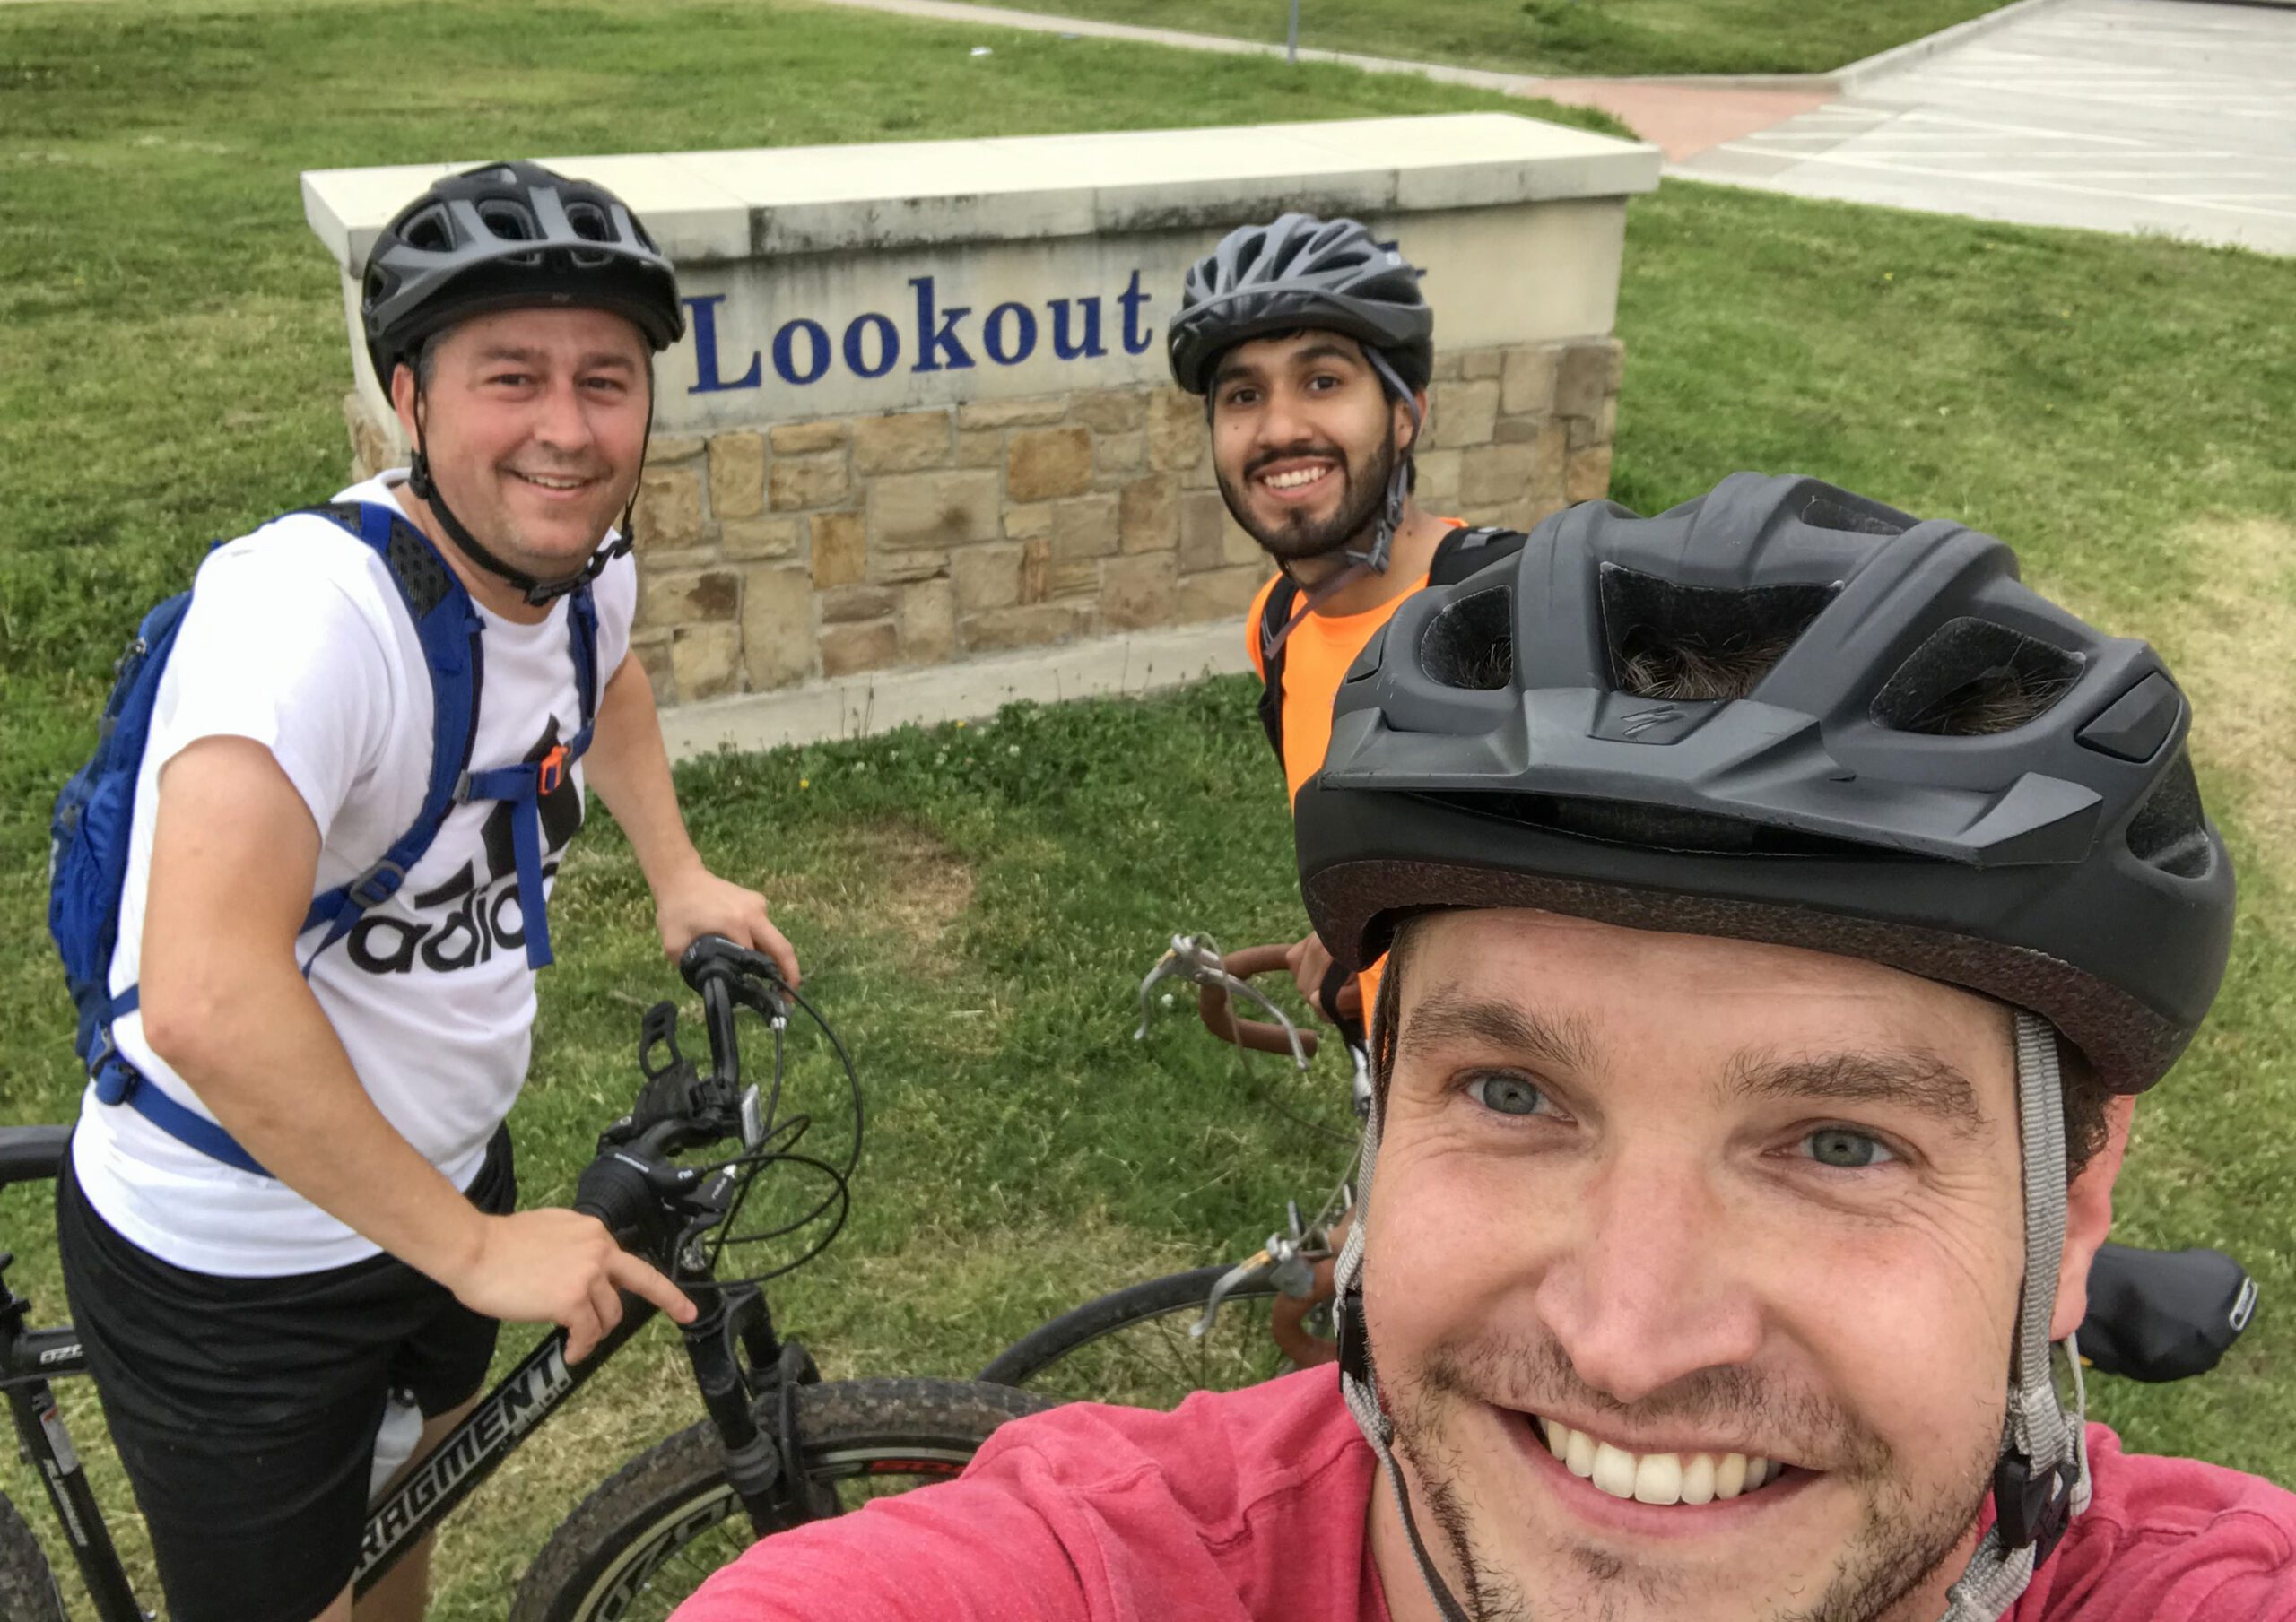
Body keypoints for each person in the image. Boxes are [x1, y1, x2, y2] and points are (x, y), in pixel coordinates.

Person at [669, 473, 2294, 1622]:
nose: (1627, 1341)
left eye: (1840, 1141)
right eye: (1512, 1092)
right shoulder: (1092, 1570)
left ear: (2073, 1214)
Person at [54, 160, 798, 1622]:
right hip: (241, 1258)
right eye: (510, 376)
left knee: (401, 1528)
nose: (567, 428)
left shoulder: (580, 570)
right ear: (410, 397)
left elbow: (607, 677)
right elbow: (203, 995)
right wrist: (474, 1250)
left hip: (446, 1168)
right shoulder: (308, 621)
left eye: (605, 380)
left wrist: (678, 872)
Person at [1166, 213, 1526, 1037]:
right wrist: (1358, 940)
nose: (1279, 428)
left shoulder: (1511, 618)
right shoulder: (1278, 624)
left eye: (1323, 381)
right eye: (1243, 395)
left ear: (1405, 413)